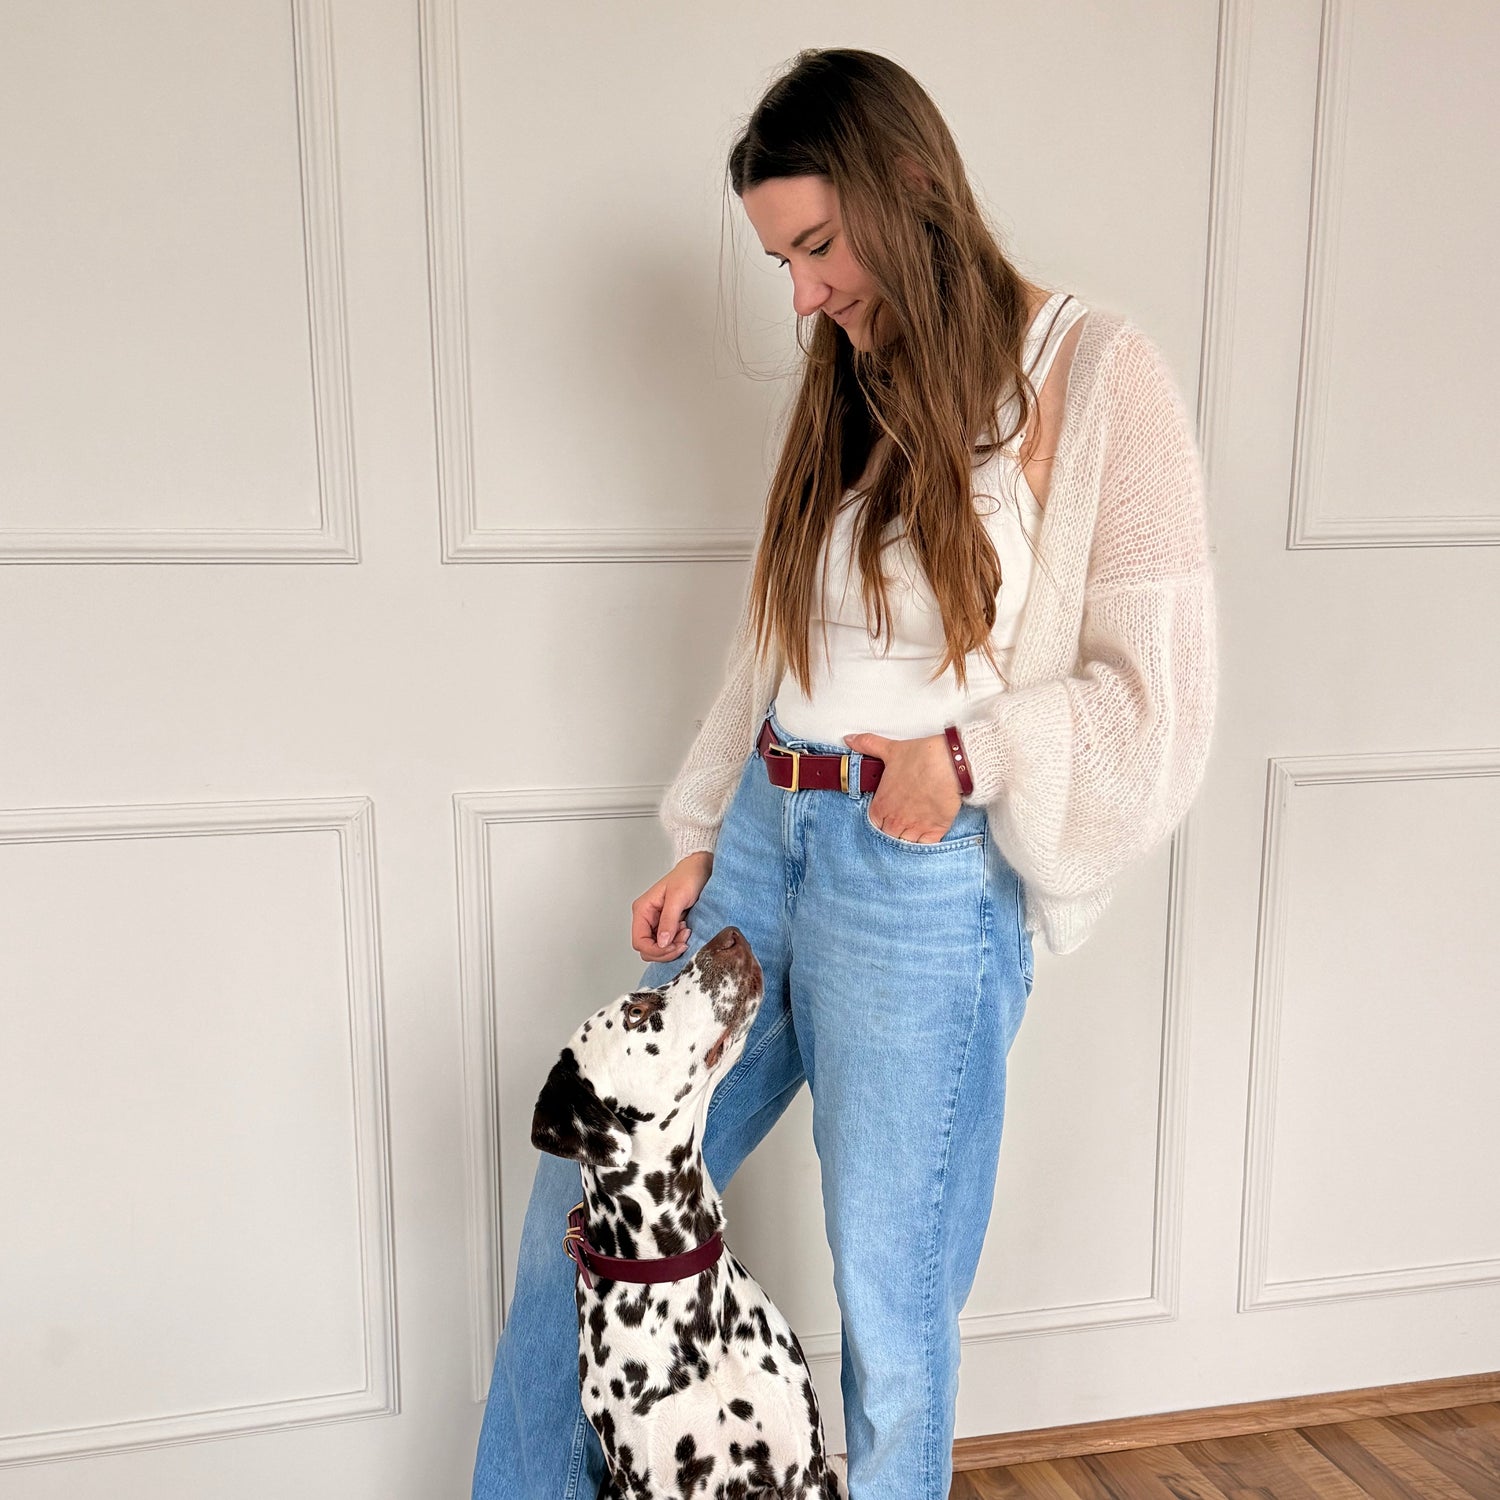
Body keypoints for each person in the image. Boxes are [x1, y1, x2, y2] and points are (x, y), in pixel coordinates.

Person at [472, 46, 1218, 1500]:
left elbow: (1159, 704)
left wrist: (967, 755)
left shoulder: (1097, 373)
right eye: (784, 261)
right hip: (768, 836)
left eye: (818, 246)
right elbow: (781, 651)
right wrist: (703, 826)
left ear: (914, 186)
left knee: (893, 1314)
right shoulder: (850, 382)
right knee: (584, 1194)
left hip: (917, 883)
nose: (804, 293)